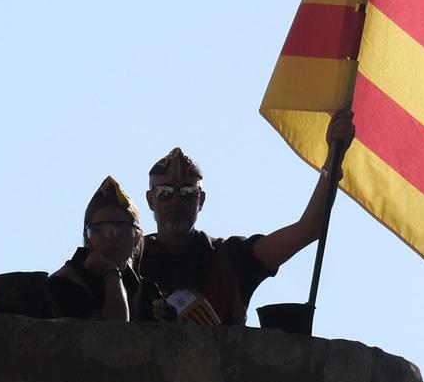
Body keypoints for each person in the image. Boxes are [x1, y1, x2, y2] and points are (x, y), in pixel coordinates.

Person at [140, 110, 355, 325]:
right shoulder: (131, 256)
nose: (176, 202)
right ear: (151, 200)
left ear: (201, 200)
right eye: (165, 193)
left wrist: (334, 157)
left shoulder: (229, 258)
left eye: (188, 192)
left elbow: (309, 229)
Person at [47, 177, 159, 321]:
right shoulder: (64, 283)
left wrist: (169, 321)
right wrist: (111, 274)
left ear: (137, 237)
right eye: (99, 230)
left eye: (120, 229)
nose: (110, 237)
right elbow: (112, 335)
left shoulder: (148, 293)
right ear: (88, 239)